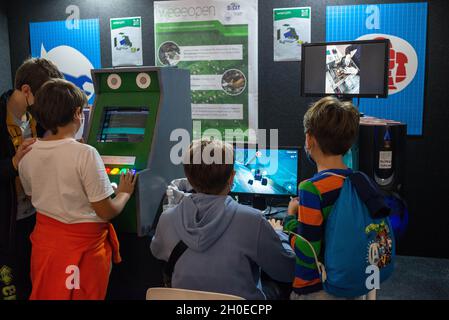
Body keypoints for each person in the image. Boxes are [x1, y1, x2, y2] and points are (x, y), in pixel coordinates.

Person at [18, 79, 136, 300]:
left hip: (45, 249)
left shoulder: (27, 154)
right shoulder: (85, 154)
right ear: (77, 113)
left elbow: (38, 195)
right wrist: (123, 193)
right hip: (84, 253)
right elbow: (106, 211)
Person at [150, 139, 295, 300]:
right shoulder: (253, 221)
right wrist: (279, 234)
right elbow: (286, 271)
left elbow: (157, 251)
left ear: (188, 179)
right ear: (232, 178)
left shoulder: (167, 219)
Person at [283, 96, 365, 300]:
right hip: (352, 283)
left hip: (317, 288)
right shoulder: (360, 180)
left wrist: (289, 219)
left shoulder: (311, 189)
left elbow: (307, 251)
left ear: (309, 140)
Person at [0, 58, 64, 299]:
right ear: (26, 90)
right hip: (6, 226)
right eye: (44, 96)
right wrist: (14, 163)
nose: (48, 104)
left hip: (38, 221)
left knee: (36, 288)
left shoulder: (41, 119)